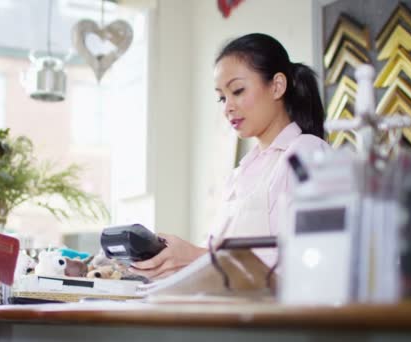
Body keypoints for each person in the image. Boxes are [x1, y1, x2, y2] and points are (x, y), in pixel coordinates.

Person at [130, 33, 330, 280]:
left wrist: (194, 258)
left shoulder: (306, 152)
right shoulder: (239, 174)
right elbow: (215, 258)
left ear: (277, 86)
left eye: (237, 90)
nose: (227, 107)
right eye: (222, 97)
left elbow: (306, 259)